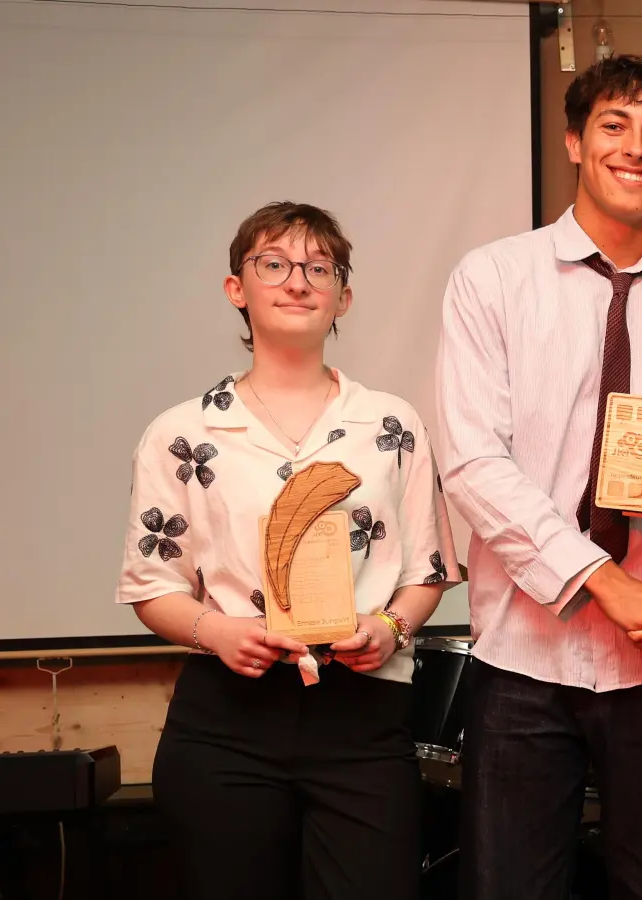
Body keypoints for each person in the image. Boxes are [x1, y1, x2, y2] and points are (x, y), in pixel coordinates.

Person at [433, 54, 642, 900]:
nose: (636, 148)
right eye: (614, 125)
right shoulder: (492, 279)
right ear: (574, 141)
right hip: (522, 657)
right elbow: (470, 460)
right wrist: (604, 581)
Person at [116, 201, 461, 900]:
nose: (297, 281)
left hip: (362, 719)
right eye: (273, 264)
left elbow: (427, 571)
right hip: (227, 723)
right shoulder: (181, 433)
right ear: (236, 289)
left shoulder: (392, 424)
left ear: (344, 296)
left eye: (318, 268)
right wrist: (218, 632)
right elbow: (153, 586)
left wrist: (390, 627)